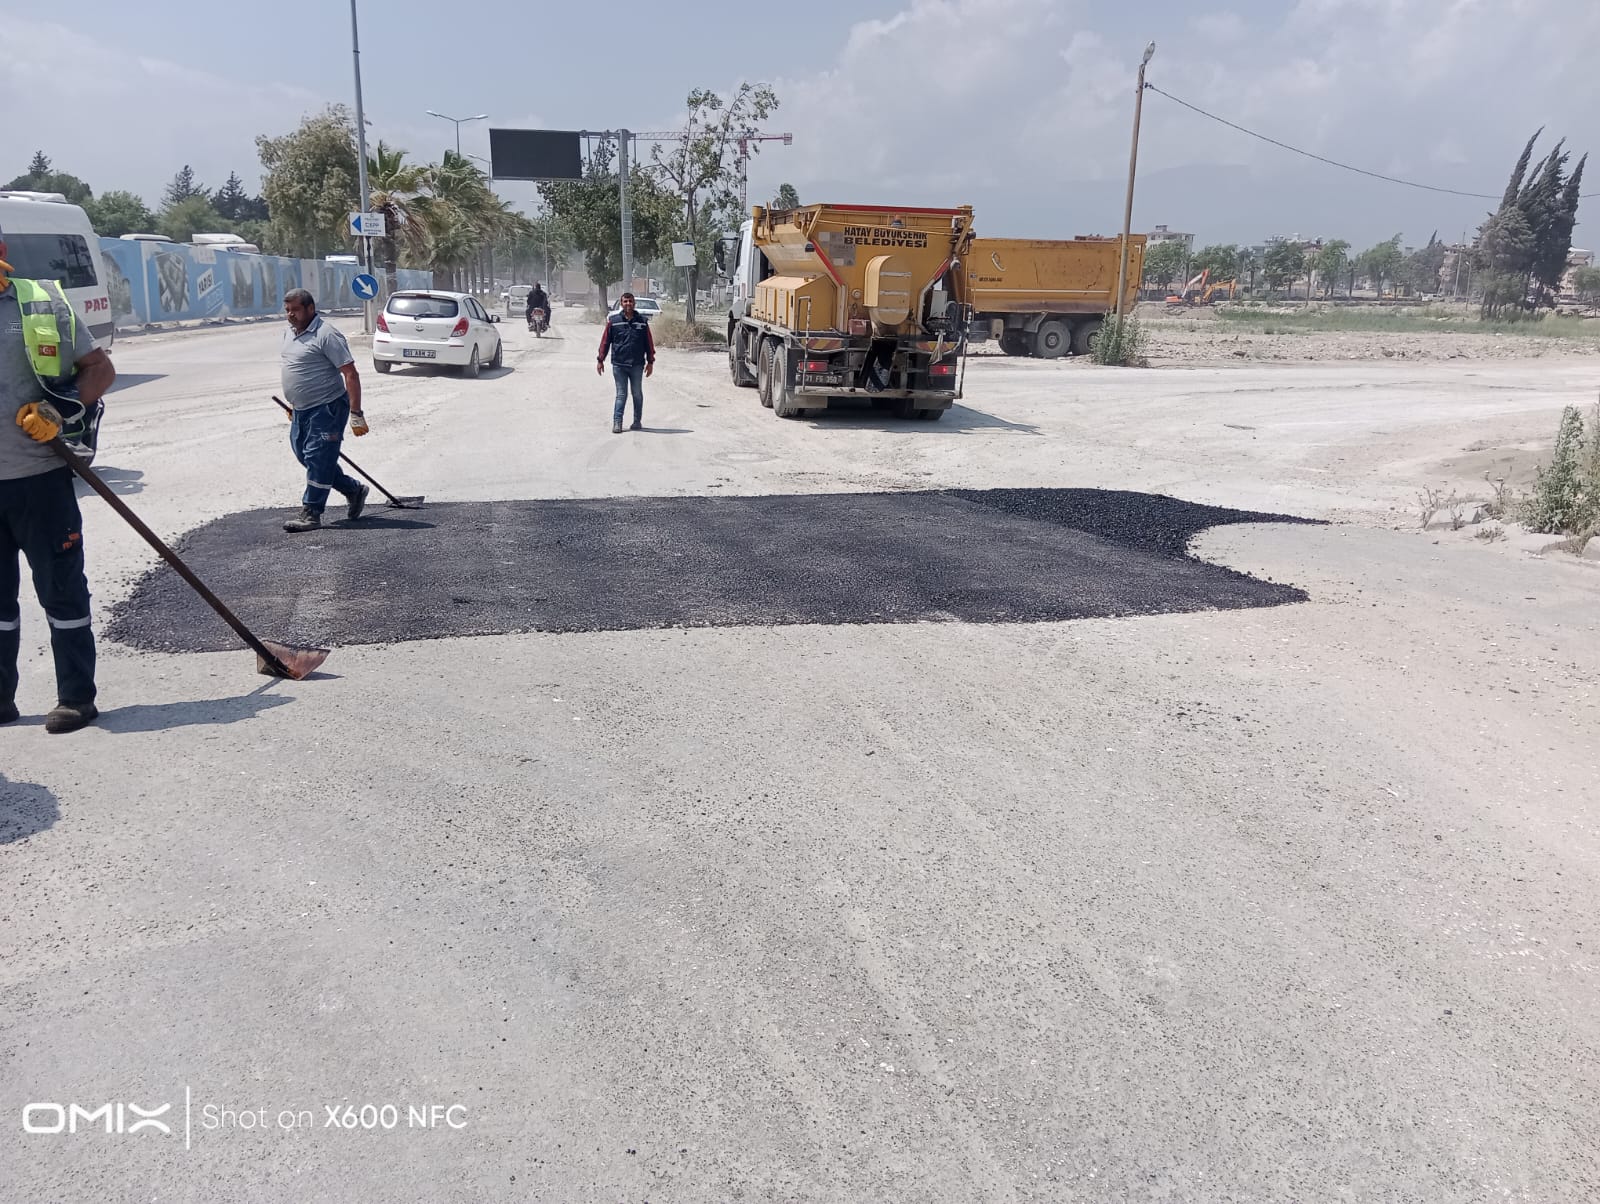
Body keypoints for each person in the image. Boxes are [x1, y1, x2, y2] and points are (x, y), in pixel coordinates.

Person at [0, 224, 117, 733]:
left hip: (40, 478)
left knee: (61, 592)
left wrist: (56, 407)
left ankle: (76, 697)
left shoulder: (38, 306)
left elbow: (99, 369)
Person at [279, 288, 369, 533]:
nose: (290, 315)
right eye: (287, 310)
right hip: (301, 410)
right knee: (305, 456)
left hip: (327, 408)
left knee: (319, 460)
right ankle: (353, 489)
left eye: (295, 310)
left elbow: (350, 374)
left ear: (310, 308)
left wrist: (356, 413)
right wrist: (296, 403)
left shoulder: (326, 334)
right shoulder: (290, 334)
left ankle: (311, 512)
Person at [596, 292, 655, 433]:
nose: (628, 303)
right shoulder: (614, 321)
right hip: (619, 365)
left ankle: (637, 421)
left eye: (630, 301)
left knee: (637, 393)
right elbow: (605, 342)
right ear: (621, 304)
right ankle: (617, 423)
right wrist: (600, 360)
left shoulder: (642, 322)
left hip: (637, 364)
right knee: (621, 394)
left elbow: (649, 343)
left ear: (634, 303)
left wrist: (650, 362)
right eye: (625, 301)